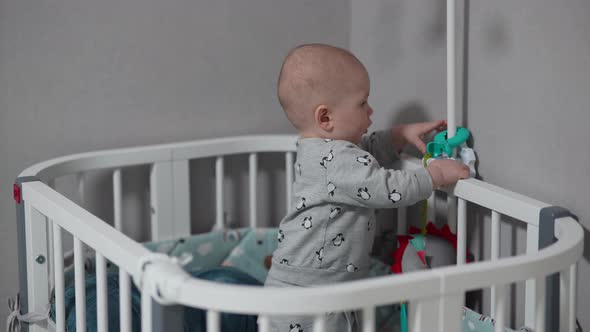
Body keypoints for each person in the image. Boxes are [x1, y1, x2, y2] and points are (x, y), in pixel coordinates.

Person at [264, 43, 469, 331]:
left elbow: (364, 154)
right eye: (363, 103)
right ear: (325, 118)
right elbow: (384, 187)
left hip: (314, 289)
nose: (371, 111)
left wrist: (399, 135)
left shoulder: (323, 151)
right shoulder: (335, 158)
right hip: (308, 298)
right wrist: (433, 175)